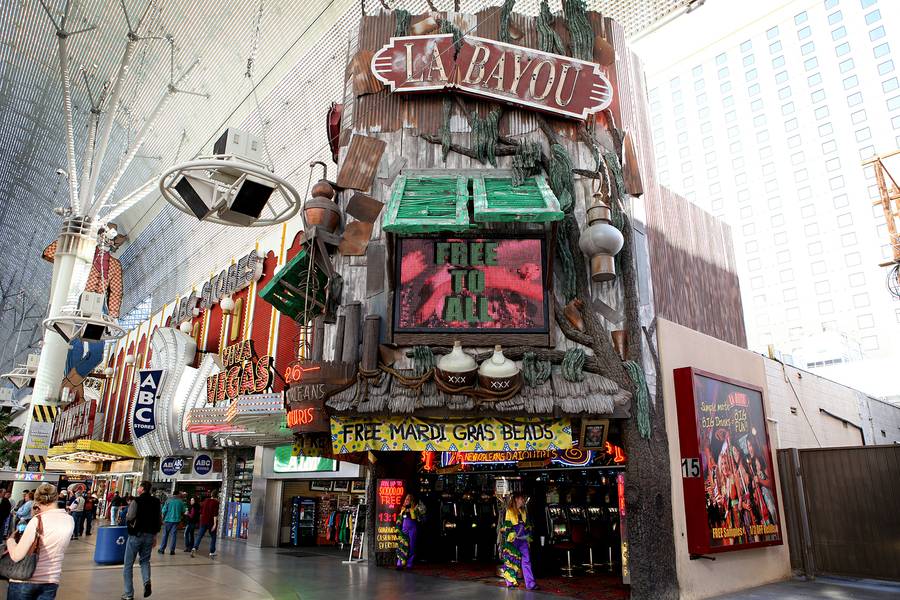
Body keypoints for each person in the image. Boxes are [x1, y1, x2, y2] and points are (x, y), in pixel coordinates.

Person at [4, 483, 75, 600]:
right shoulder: (69, 520)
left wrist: (10, 540)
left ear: (36, 500)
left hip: (24, 580)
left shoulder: (37, 520)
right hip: (51, 581)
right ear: (56, 497)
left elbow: (17, 556)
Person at [122, 481, 161, 600]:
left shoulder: (136, 501)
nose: (138, 488)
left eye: (139, 486)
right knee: (144, 561)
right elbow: (158, 519)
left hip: (136, 535)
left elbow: (130, 516)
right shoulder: (156, 501)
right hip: (149, 536)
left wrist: (127, 516)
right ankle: (146, 581)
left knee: (128, 565)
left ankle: (128, 594)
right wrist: (155, 536)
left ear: (142, 489)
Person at [499, 493, 536, 590]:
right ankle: (511, 582)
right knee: (511, 560)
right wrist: (512, 536)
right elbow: (507, 526)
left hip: (523, 538)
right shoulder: (509, 510)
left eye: (523, 498)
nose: (523, 500)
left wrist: (528, 539)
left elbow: (526, 526)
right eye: (521, 498)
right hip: (513, 539)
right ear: (516, 499)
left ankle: (530, 584)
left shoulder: (523, 511)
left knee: (527, 560)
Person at [395, 494, 424, 570]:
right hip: (404, 529)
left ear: (411, 501)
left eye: (408, 499)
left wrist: (414, 511)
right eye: (406, 499)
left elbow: (418, 518)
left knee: (411, 546)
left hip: (413, 529)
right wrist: (397, 527)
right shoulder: (403, 509)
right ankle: (400, 564)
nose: (406, 500)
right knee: (402, 545)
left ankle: (409, 564)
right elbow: (399, 519)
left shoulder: (415, 509)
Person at [190, 492, 219, 558]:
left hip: (203, 521)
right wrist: (215, 524)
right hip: (211, 522)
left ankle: (194, 548)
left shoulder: (205, 501)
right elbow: (215, 514)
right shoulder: (216, 503)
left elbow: (201, 512)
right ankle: (212, 552)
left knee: (199, 536)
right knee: (213, 537)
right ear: (217, 497)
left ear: (211, 495)